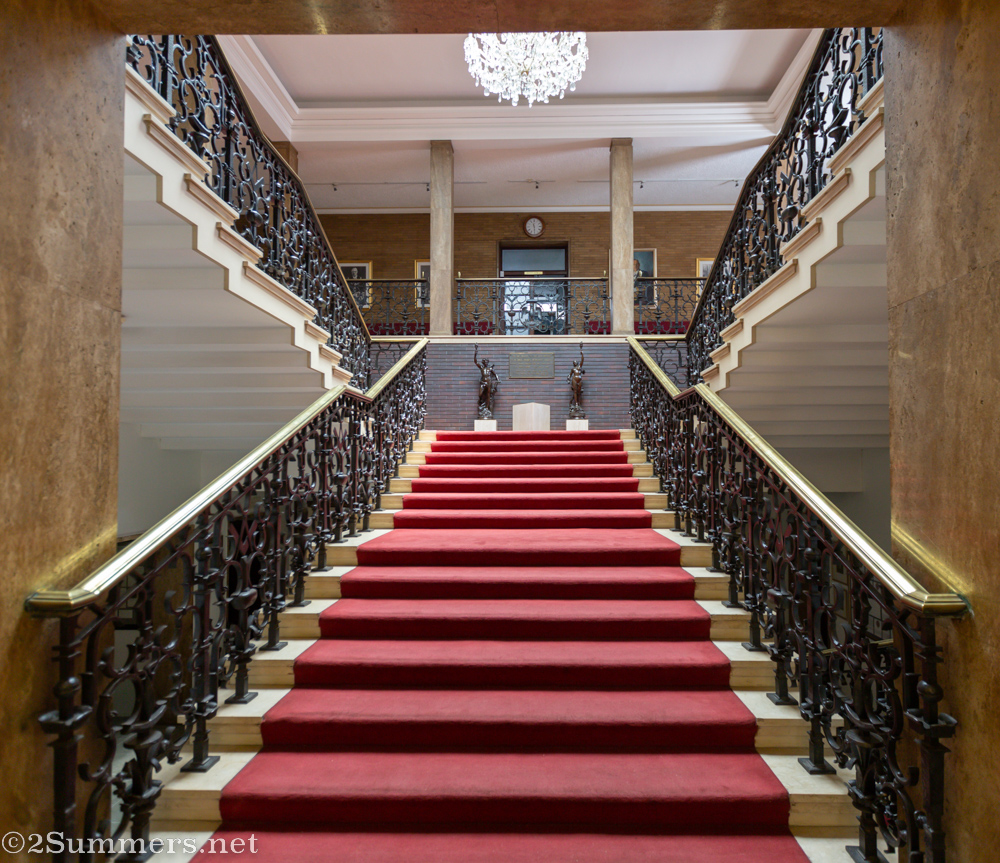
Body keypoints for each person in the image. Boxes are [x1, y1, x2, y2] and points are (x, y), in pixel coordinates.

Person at [473, 344, 500, 419]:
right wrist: (475, 352)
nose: (486, 363)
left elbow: (495, 375)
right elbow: (475, 361)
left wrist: (498, 380)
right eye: (484, 362)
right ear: (483, 363)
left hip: (489, 382)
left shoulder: (490, 369)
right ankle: (481, 403)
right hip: (483, 383)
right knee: (480, 394)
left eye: (486, 362)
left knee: (488, 395)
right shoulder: (481, 368)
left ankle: (486, 409)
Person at [567, 342, 586, 419]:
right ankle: (576, 404)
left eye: (575, 361)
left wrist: (582, 354)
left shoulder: (579, 367)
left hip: (579, 380)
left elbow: (582, 360)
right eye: (573, 362)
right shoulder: (573, 369)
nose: (574, 362)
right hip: (574, 380)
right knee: (575, 392)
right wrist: (568, 378)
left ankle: (578, 404)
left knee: (579, 392)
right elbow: (570, 375)